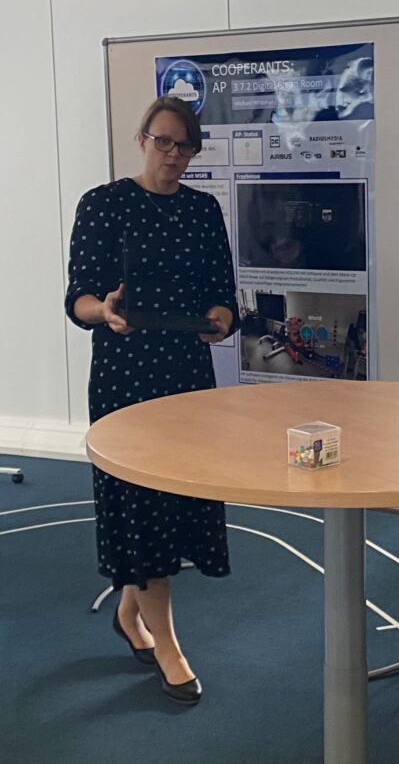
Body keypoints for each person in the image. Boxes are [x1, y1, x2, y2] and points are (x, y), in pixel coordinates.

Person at [65, 96, 239, 705]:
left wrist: (222, 317)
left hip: (187, 376)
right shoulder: (102, 204)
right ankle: (163, 642)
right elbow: (79, 298)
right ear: (142, 140)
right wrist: (102, 311)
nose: (173, 156)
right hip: (124, 375)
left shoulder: (202, 209)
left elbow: (223, 294)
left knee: (176, 503)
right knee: (141, 503)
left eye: (184, 146)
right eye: (163, 142)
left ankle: (129, 613)